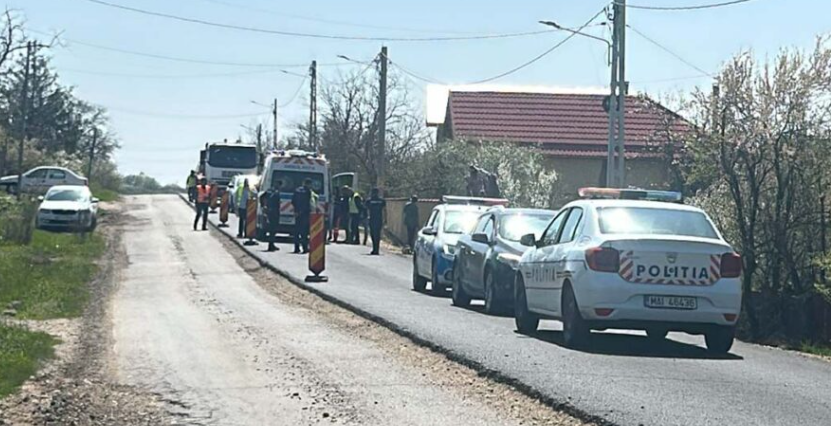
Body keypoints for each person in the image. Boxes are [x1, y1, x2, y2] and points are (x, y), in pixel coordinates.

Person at [291, 178, 312, 254]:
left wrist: (296, 210)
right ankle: (304, 248)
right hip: (305, 214)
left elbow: (293, 201)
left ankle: (296, 248)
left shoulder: (297, 190)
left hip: (297, 214)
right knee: (304, 232)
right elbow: (307, 203)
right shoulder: (308, 192)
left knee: (296, 232)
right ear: (308, 184)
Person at [261, 180, 282, 252]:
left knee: (272, 230)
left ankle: (272, 244)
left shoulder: (269, 191)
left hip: (270, 212)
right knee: (273, 230)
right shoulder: (276, 192)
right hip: (274, 213)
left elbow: (261, 197)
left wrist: (263, 206)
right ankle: (271, 246)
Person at [366, 188, 386, 255]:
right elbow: (384, 211)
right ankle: (376, 249)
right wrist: (385, 220)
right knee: (377, 235)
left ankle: (375, 249)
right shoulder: (382, 201)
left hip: (372, 219)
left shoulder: (369, 200)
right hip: (378, 219)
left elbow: (367, 210)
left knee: (373, 234)